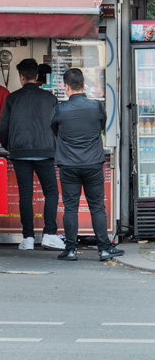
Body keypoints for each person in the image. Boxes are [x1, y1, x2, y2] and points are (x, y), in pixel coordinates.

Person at [51, 68, 125, 261]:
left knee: (70, 207)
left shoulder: (59, 109)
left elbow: (54, 130)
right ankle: (104, 248)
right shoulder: (97, 107)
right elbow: (101, 126)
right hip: (93, 163)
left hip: (68, 164)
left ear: (65, 87)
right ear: (84, 85)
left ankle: (71, 249)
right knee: (97, 207)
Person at [0, 58, 65, 251]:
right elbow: (58, 125)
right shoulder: (49, 98)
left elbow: (4, 127)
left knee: (25, 195)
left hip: (20, 152)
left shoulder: (12, 98)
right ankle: (50, 234)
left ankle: (27, 238)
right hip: (45, 152)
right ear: (37, 76)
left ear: (21, 76)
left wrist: (9, 146)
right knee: (51, 192)